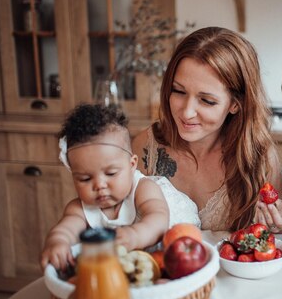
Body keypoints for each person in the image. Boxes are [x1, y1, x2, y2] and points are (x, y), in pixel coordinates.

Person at [132, 27, 282, 232]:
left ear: (235, 104)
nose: (187, 112)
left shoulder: (259, 158)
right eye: (178, 91)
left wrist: (280, 227)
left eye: (207, 101)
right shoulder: (145, 147)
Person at [41, 104, 198, 271]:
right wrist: (57, 242)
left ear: (131, 165)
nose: (100, 185)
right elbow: (66, 229)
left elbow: (158, 219)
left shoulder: (144, 188)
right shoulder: (78, 209)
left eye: (111, 174)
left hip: (167, 248)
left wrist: (135, 235)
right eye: (85, 178)